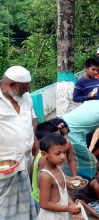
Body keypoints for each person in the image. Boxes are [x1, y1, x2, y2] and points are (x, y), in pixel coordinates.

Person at [0, 66, 37, 219]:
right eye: (23, 89)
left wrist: (35, 139)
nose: (26, 93)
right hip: (5, 163)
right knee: (5, 203)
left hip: (25, 159)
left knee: (25, 198)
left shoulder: (25, 97)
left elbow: (33, 118)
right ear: (11, 85)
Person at [37, 133, 80, 219]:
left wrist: (72, 207)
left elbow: (63, 193)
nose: (63, 157)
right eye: (58, 153)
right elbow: (44, 204)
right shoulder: (45, 176)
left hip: (61, 214)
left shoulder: (58, 168)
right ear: (44, 154)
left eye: (64, 152)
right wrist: (67, 208)